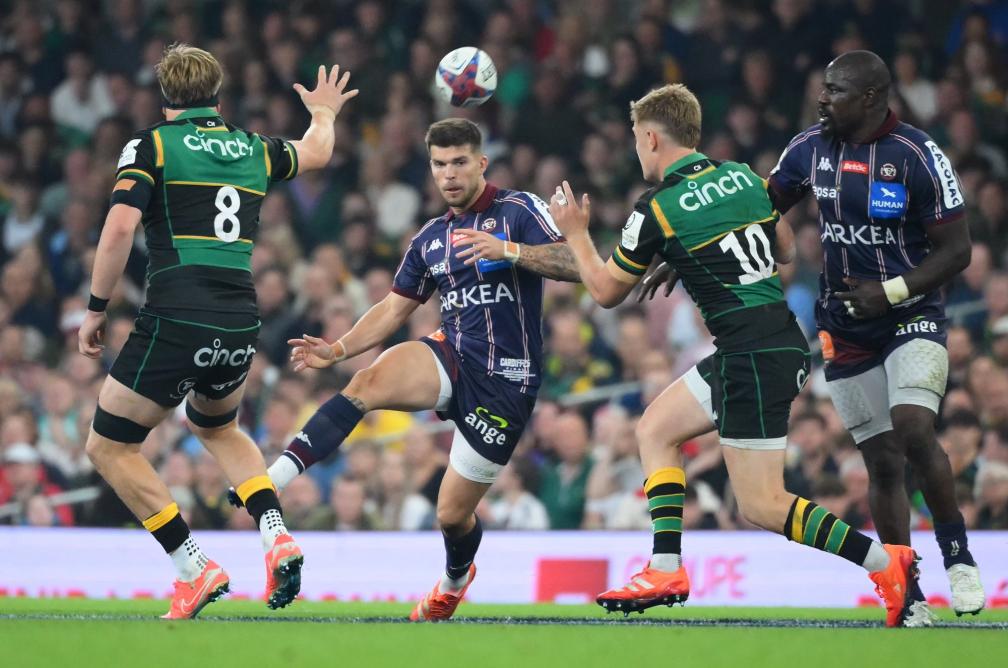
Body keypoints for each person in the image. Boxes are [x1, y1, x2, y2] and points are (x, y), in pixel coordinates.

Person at [548, 83, 919, 627]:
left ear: (651, 137)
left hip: (752, 356)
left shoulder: (658, 208)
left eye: (635, 140)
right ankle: (666, 566)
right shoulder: (744, 177)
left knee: (763, 504)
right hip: (767, 343)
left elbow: (605, 292)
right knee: (655, 429)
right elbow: (787, 251)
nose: (636, 150)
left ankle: (887, 564)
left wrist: (577, 235)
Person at [235, 118, 580, 621]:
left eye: (460, 162)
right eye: (440, 165)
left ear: (481, 163)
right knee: (366, 382)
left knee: (451, 514)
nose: (450, 174)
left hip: (507, 381)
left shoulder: (518, 209)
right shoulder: (431, 238)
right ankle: (272, 481)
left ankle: (455, 580)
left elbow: (575, 261)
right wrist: (339, 348)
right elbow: (394, 308)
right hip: (452, 354)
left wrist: (510, 251)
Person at [77, 43, 358, 619]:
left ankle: (193, 566)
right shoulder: (253, 148)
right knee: (218, 427)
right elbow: (316, 153)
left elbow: (117, 231)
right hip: (239, 319)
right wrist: (324, 112)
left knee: (109, 445)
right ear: (218, 96)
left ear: (165, 97)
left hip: (177, 312)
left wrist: (96, 307)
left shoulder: (152, 144)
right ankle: (275, 532)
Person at [765, 50, 984, 620]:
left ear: (870, 98)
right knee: (883, 463)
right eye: (822, 88)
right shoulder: (810, 147)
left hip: (909, 313)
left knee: (914, 427)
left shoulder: (916, 155)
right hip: (843, 324)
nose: (821, 99)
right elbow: (764, 206)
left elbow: (958, 251)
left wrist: (889, 292)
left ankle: (958, 556)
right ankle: (907, 592)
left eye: (833, 91)